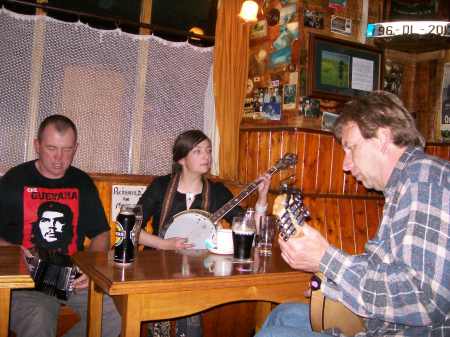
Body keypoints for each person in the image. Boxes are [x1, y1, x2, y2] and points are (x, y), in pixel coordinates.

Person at [255, 91, 449, 337]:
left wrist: (326, 259)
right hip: (379, 325)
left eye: (351, 147)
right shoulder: (403, 184)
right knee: (283, 314)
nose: (345, 165)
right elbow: (388, 269)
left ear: (382, 137)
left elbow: (422, 299)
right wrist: (333, 284)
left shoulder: (424, 181)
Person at [137, 129, 271, 337]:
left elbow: (250, 227)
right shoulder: (161, 186)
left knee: (190, 323)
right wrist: (166, 244)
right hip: (158, 267)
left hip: (198, 272)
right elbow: (130, 228)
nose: (206, 156)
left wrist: (262, 198)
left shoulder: (217, 191)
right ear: (181, 158)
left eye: (208, 151)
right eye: (198, 151)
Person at [0, 114, 121, 337]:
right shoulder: (14, 180)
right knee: (39, 315)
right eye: (51, 148)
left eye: (67, 150)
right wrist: (11, 250)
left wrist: (89, 267)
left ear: (76, 148)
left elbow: (101, 233)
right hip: (24, 280)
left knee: (114, 314)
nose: (59, 158)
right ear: (37, 146)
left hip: (72, 277)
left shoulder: (82, 182)